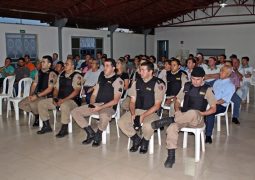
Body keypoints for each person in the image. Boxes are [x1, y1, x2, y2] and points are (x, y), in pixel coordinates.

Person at [151, 67, 217, 168]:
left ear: (203, 78)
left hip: (197, 119)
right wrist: (177, 111)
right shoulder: (186, 86)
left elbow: (213, 109)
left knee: (193, 113)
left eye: (198, 79)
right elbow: (177, 101)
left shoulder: (208, 89)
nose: (195, 82)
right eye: (193, 79)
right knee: (172, 128)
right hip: (183, 117)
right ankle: (171, 156)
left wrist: (202, 113)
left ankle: (171, 119)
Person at [71, 58, 124, 147]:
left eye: (107, 66)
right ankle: (90, 132)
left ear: (113, 68)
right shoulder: (101, 76)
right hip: (97, 104)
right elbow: (94, 93)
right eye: (104, 66)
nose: (105, 68)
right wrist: (92, 104)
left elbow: (115, 101)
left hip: (109, 106)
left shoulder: (118, 80)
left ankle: (98, 135)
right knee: (75, 112)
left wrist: (100, 108)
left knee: (104, 115)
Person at [118, 61, 165, 154]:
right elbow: (132, 101)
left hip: (152, 112)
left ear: (150, 71)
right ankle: (136, 139)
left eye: (143, 70)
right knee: (121, 122)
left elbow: (157, 106)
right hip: (137, 110)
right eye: (140, 70)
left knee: (148, 126)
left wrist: (143, 116)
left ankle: (145, 141)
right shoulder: (136, 82)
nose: (140, 72)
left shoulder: (158, 84)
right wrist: (133, 113)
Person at [37, 58, 83, 138]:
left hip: (73, 101)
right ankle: (46, 126)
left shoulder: (77, 76)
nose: (64, 65)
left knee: (64, 105)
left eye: (67, 64)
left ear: (72, 66)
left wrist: (63, 100)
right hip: (60, 99)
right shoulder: (61, 75)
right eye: (65, 64)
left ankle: (64, 128)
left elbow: (76, 91)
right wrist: (55, 98)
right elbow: (56, 89)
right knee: (41, 103)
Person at [18, 56, 58, 126]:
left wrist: (36, 96)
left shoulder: (52, 74)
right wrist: (31, 95)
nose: (41, 63)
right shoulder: (39, 72)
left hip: (47, 96)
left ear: (49, 64)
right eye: (41, 62)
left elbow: (49, 89)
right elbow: (34, 84)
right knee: (21, 104)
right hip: (38, 94)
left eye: (44, 62)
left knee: (32, 104)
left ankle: (38, 117)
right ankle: (37, 115)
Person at [205, 65, 235, 143]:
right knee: (197, 105)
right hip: (212, 101)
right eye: (220, 70)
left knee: (210, 112)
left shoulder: (230, 85)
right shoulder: (217, 81)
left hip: (221, 105)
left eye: (222, 71)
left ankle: (208, 135)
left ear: (228, 74)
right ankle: (197, 126)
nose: (220, 72)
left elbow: (223, 100)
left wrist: (212, 103)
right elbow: (207, 86)